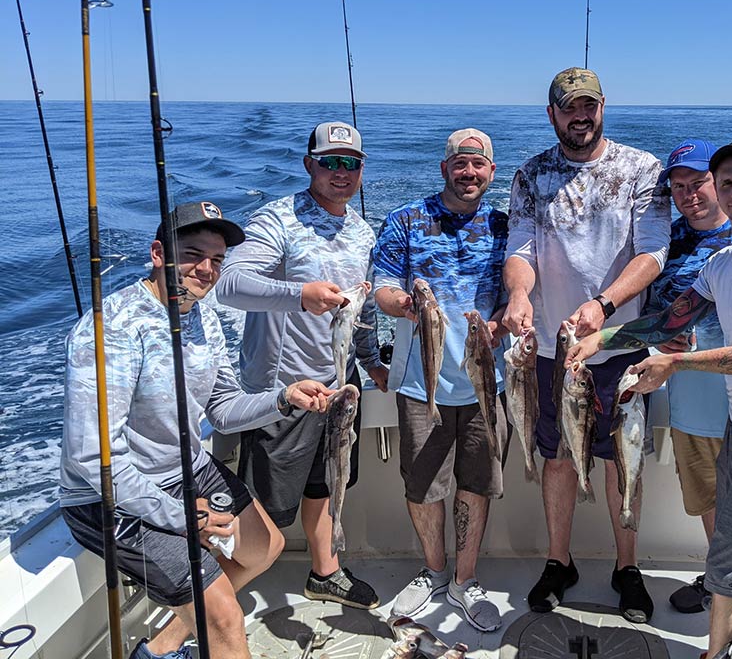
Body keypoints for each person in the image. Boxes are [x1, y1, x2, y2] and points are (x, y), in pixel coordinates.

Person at [567, 137, 732, 655]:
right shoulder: (725, 261)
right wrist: (602, 338)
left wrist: (675, 363)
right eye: (727, 182)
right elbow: (670, 318)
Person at [60, 201, 335, 659]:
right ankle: (205, 626)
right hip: (110, 495)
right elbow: (95, 460)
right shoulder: (112, 330)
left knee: (265, 548)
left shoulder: (201, 315)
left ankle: (159, 650)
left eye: (217, 260)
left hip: (184, 468)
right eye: (192, 254)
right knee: (224, 618)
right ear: (157, 254)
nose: (206, 270)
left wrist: (284, 398)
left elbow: (224, 409)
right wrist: (182, 517)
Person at [502, 68, 671, 624]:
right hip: (553, 349)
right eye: (569, 107)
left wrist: (603, 305)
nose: (581, 115)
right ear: (551, 114)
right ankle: (560, 561)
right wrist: (520, 296)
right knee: (556, 458)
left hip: (620, 343)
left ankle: (627, 568)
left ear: (603, 107)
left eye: (589, 105)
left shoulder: (642, 169)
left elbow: (652, 253)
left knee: (623, 462)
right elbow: (521, 249)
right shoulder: (531, 175)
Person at [217, 122, 388, 609]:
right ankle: (217, 597)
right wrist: (299, 295)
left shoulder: (361, 231)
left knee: (328, 482)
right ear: (308, 164)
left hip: (340, 386)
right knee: (267, 505)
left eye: (350, 163)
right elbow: (228, 284)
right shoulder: (277, 219)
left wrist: (372, 361)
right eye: (329, 161)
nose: (341, 172)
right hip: (284, 390)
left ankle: (325, 572)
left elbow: (365, 307)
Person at [373, 128, 510, 633]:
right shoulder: (405, 219)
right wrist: (404, 305)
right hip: (419, 382)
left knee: (476, 483)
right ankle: (433, 570)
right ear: (444, 168)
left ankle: (464, 579)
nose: (469, 172)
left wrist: (504, 320)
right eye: (460, 163)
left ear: (492, 172)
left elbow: (520, 288)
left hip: (486, 383)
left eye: (478, 164)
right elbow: (383, 288)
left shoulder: (506, 225)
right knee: (425, 485)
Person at [647, 140, 732, 614]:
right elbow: (657, 314)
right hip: (688, 400)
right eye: (678, 186)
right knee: (708, 501)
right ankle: (719, 580)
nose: (688, 194)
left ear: (718, 183)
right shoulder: (667, 242)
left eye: (697, 182)